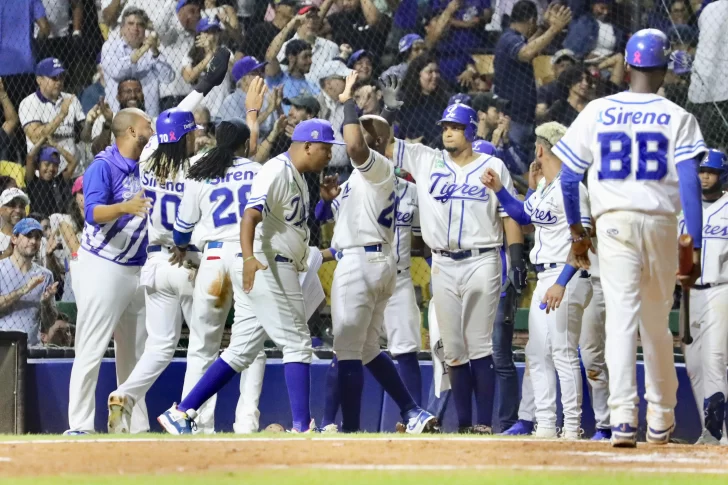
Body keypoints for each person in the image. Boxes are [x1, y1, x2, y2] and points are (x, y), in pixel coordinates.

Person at [65, 46, 231, 435]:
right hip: (104, 265)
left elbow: (174, 122)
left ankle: (132, 424)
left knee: (137, 350)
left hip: (142, 267)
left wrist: (207, 83)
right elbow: (91, 214)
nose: (152, 125)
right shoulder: (104, 164)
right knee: (91, 347)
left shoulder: (148, 158)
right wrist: (126, 206)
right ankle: (79, 425)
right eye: (145, 122)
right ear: (130, 131)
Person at [553, 29, 706, 447]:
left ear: (627, 65)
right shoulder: (678, 116)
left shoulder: (598, 110)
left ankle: (622, 419)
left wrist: (576, 230)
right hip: (660, 223)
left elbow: (568, 177)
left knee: (620, 319)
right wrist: (694, 242)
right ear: (663, 70)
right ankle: (660, 418)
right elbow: (690, 184)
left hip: (613, 222)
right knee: (656, 323)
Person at [157, 117, 341, 434]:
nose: (330, 154)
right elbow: (250, 216)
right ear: (308, 146)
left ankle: (182, 411)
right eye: (326, 148)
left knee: (240, 350)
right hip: (267, 264)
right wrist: (250, 257)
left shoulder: (294, 175)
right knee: (297, 344)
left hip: (245, 261)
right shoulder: (274, 170)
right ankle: (301, 426)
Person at [106, 78, 259, 434]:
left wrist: (199, 90)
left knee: (160, 346)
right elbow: (238, 158)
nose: (196, 138)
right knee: (205, 346)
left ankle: (125, 394)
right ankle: (199, 421)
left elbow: (167, 129)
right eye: (192, 133)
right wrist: (249, 116)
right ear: (185, 137)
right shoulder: (196, 169)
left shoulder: (146, 161)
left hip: (154, 264)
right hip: (188, 262)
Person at [383, 81, 526, 432]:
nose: (448, 132)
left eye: (456, 127)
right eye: (445, 126)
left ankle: (483, 424)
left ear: (471, 131)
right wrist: (388, 111)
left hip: (483, 259)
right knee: (453, 349)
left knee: (480, 345)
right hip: (442, 263)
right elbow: (380, 144)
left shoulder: (493, 166)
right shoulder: (426, 159)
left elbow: (508, 216)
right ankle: (463, 426)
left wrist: (516, 258)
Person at [318, 72, 437, 433]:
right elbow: (341, 215)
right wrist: (330, 200)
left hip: (362, 263)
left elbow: (357, 145)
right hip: (374, 261)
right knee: (368, 348)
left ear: (382, 142)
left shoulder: (377, 166)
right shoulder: (361, 176)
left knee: (347, 350)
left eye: (368, 127)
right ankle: (412, 411)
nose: (360, 128)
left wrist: (347, 103)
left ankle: (350, 430)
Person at [483, 122, 593, 439]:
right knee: (537, 353)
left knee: (563, 353)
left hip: (566, 275)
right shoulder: (546, 185)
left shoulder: (573, 188)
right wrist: (503, 189)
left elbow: (583, 239)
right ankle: (545, 424)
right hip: (545, 276)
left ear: (540, 149)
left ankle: (571, 427)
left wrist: (562, 282)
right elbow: (523, 216)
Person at [682, 149, 728, 445]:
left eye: (711, 171)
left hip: (721, 289)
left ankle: (716, 433)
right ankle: (711, 432)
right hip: (689, 294)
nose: (705, 176)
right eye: (701, 171)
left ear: (722, 175)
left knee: (714, 360)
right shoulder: (684, 209)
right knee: (695, 365)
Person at [493, 1, 571, 154]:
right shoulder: (509, 38)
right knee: (513, 161)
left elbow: (530, 44)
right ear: (531, 20)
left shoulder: (514, 37)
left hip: (522, 116)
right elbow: (526, 52)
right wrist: (554, 29)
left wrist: (545, 27)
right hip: (514, 117)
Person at [18, 58, 92, 175]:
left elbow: (85, 137)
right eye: (54, 78)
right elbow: (36, 137)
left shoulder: (71, 99)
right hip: (45, 176)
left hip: (74, 172)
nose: (59, 82)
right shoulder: (28, 103)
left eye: (61, 77)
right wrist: (61, 115)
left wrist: (89, 122)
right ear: (39, 80)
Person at [100, 8, 175, 118]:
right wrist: (142, 51)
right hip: (117, 118)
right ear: (122, 29)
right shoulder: (110, 46)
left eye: (140, 25)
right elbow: (116, 72)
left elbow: (168, 77)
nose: (135, 28)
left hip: (149, 118)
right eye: (131, 24)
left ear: (145, 30)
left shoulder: (152, 50)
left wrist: (155, 51)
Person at [0, 218, 57, 347]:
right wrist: (24, 289)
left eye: (37, 237)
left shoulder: (45, 275)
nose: (33, 241)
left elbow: (49, 323)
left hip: (32, 347)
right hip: (2, 347)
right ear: (14, 239)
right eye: (28, 236)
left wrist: (46, 303)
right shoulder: (1, 269)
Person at [276, 5, 340, 86]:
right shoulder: (285, 47)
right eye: (307, 17)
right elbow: (280, 74)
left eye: (315, 17)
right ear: (297, 21)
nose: (312, 21)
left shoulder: (331, 47)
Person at [24, 143, 77, 217]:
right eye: (47, 164)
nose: (51, 168)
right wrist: (43, 139)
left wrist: (55, 145)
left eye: (55, 165)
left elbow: (73, 161)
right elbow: (30, 157)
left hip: (57, 220)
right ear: (38, 165)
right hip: (38, 220)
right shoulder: (33, 181)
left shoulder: (59, 181)